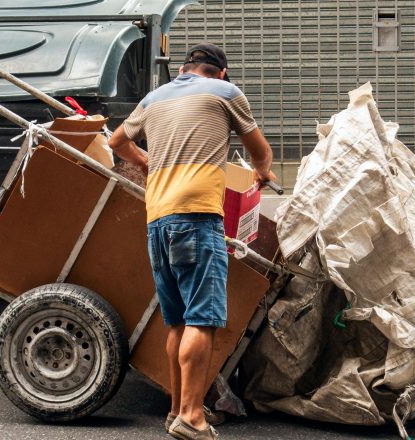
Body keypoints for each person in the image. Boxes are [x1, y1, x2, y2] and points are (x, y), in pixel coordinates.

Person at [108, 43, 276, 440]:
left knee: (178, 322)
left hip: (158, 220)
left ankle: (175, 410)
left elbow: (117, 142)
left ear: (185, 69)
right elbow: (260, 150)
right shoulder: (226, 92)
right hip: (197, 218)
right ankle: (193, 416)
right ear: (220, 72)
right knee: (203, 319)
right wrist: (262, 173)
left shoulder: (153, 99)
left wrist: (147, 161)